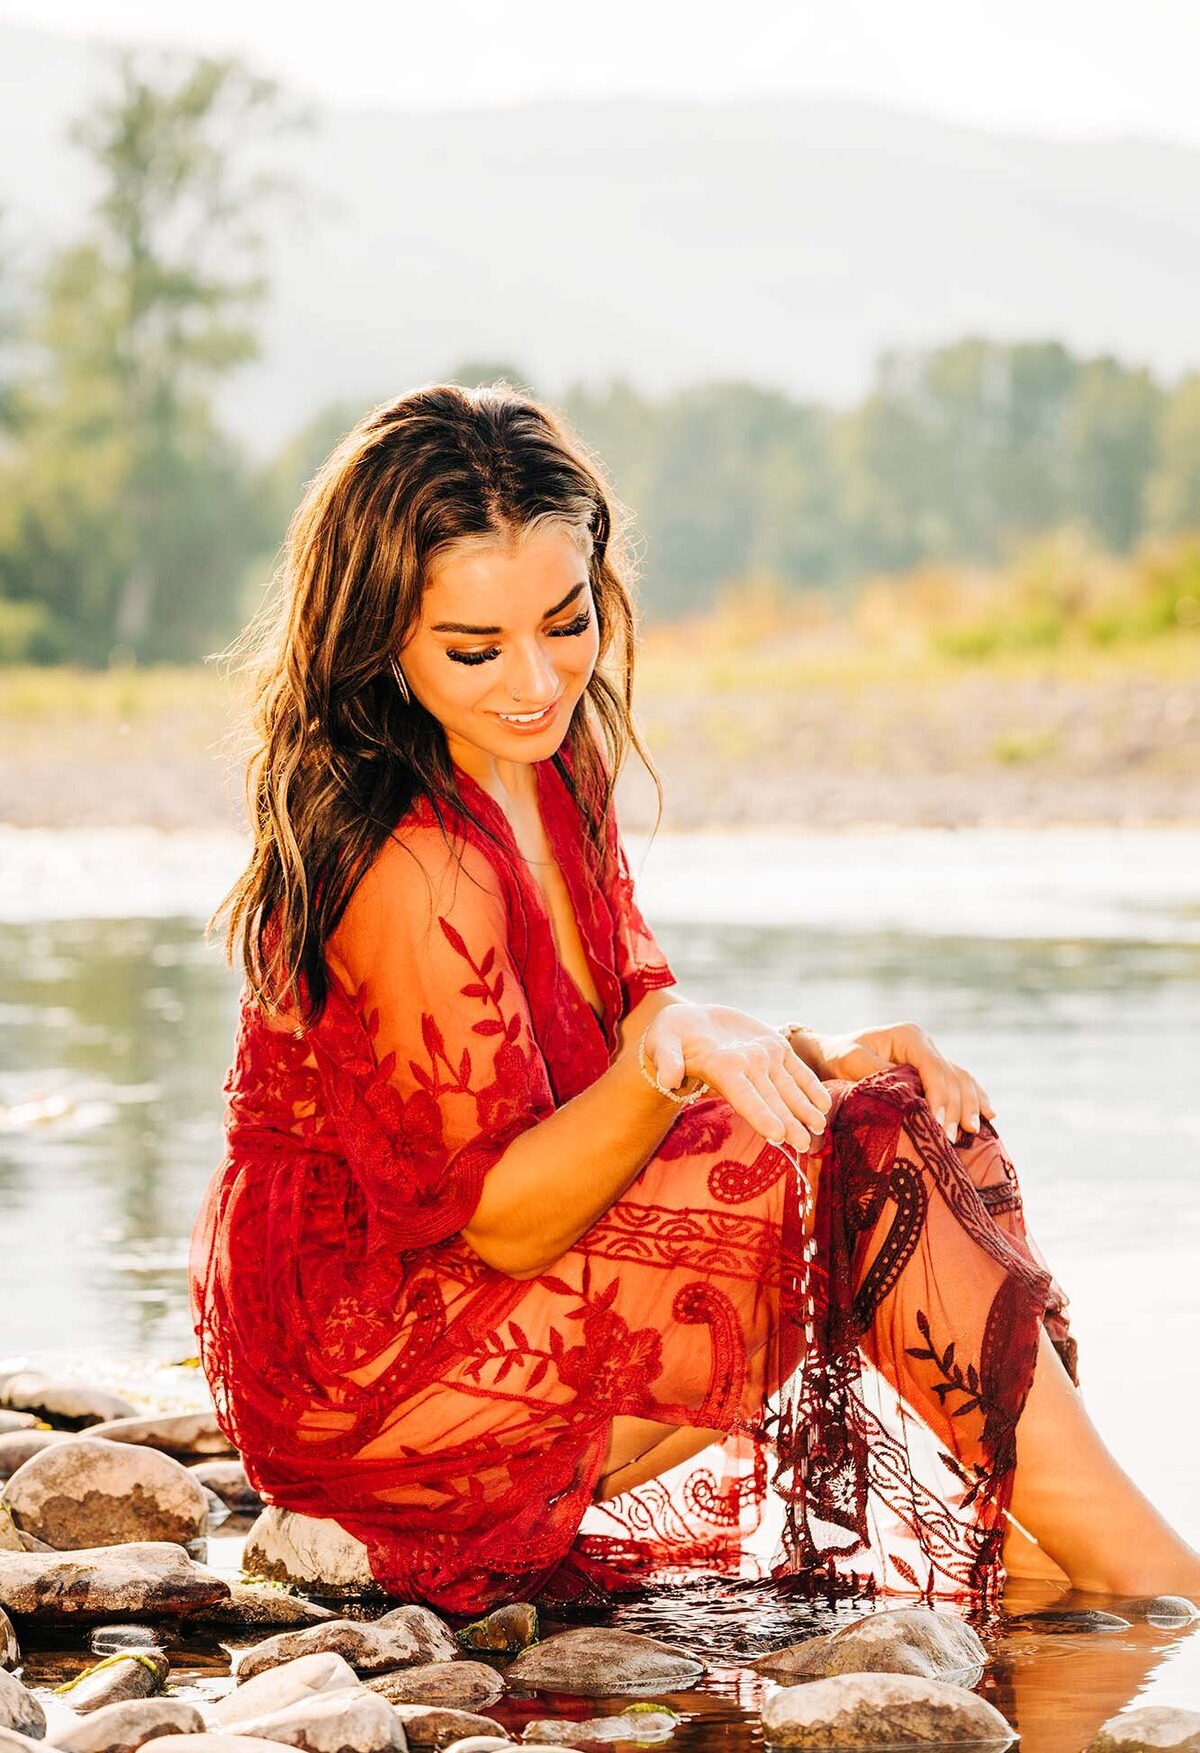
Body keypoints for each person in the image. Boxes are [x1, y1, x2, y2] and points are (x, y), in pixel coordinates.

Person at [190, 382, 1200, 1619]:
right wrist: (688, 1067)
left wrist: (810, 1058)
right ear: (374, 636)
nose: (534, 680)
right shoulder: (413, 860)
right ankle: (1151, 1585)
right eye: (473, 648)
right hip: (367, 1369)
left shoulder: (550, 758)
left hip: (489, 1280)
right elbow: (507, 1215)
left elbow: (640, 1014)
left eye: (567, 625)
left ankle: (1067, 1569)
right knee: (851, 1167)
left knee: (901, 1113)